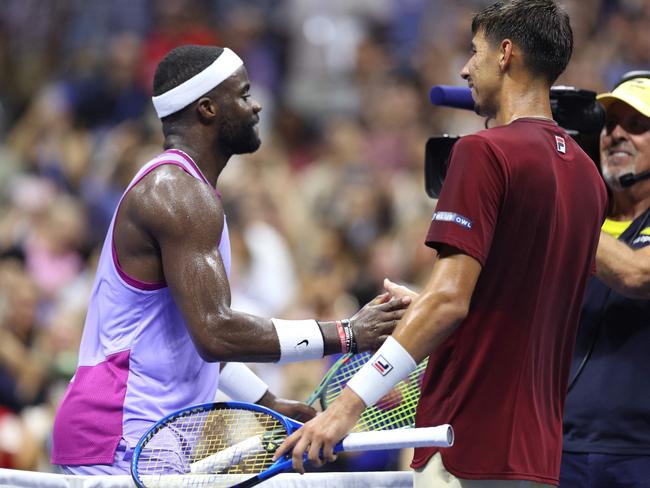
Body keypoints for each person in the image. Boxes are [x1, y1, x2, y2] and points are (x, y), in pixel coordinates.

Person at [274, 1, 608, 486]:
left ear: (505, 54)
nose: (464, 68)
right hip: (539, 456)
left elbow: (451, 301)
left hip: (469, 445)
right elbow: (527, 307)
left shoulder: (482, 151)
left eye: (474, 52)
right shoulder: (588, 177)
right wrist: (425, 305)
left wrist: (347, 405)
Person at [50, 45, 410, 475]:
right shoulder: (177, 193)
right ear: (207, 109)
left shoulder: (186, 191)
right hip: (121, 432)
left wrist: (267, 402)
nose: (256, 104)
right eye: (243, 94)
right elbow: (215, 333)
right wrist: (348, 333)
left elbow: (194, 336)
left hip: (136, 432)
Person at [560, 73, 650, 487]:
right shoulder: (581, 218)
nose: (616, 135)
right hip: (559, 447)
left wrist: (556, 206)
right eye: (610, 124)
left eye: (636, 125)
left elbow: (636, 273)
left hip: (639, 453)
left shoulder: (568, 221)